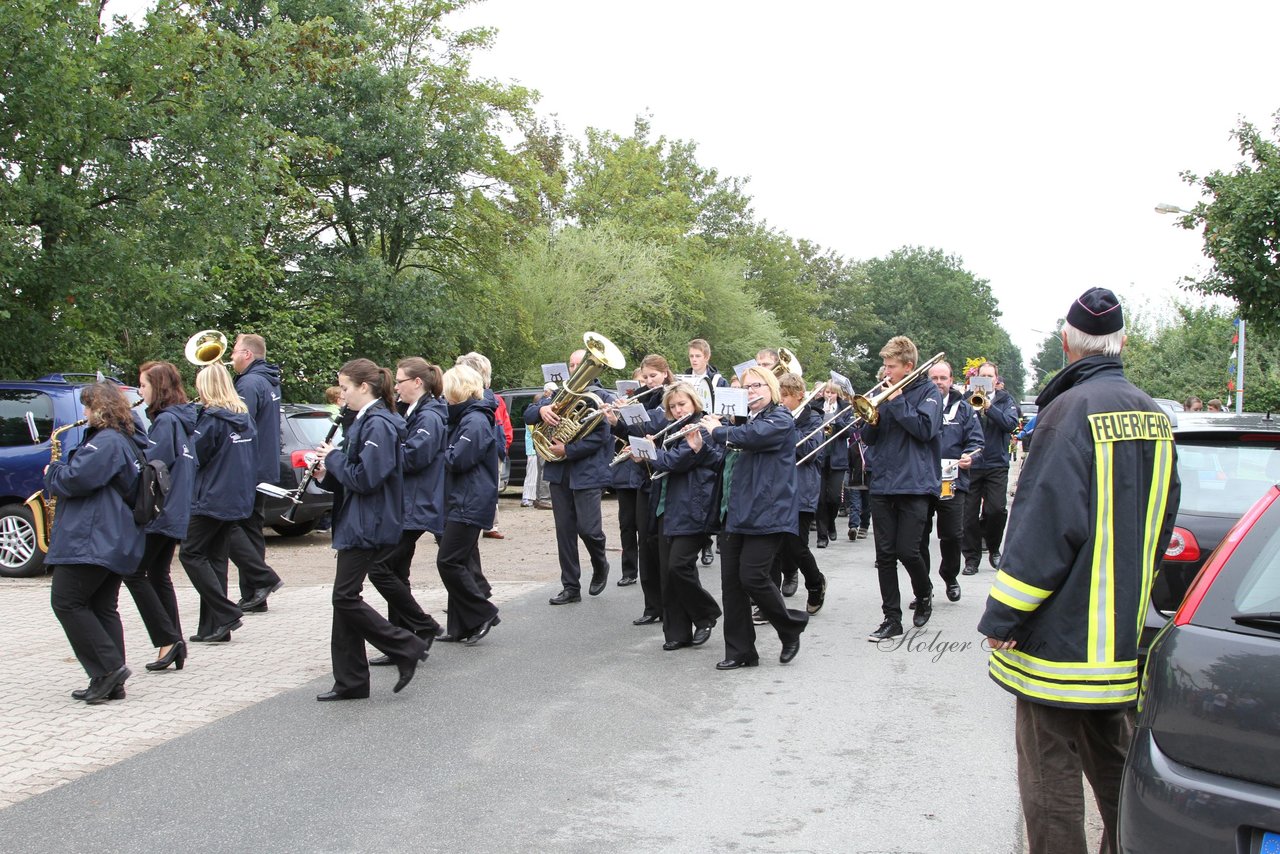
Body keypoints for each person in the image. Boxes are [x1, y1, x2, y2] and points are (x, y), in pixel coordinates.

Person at [979, 287, 1180, 854]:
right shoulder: (1155, 417)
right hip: (1117, 636)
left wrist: (1003, 615)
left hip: (1058, 642)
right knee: (1115, 763)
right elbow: (1162, 523)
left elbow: (1043, 530)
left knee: (1049, 776)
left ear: (1067, 343)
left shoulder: (1066, 413)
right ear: (1122, 343)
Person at [313, 359, 430, 700]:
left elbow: (367, 479)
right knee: (344, 599)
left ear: (364, 387)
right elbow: (355, 475)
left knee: (344, 597)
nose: (343, 396)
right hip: (361, 517)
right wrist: (325, 474)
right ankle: (351, 680)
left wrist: (333, 457)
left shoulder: (378, 423)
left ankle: (404, 644)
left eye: (346, 388)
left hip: (369, 521)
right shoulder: (366, 420)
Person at [697, 365, 807, 669]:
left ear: (771, 388)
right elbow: (724, 460)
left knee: (753, 577)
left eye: (758, 385)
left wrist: (717, 430)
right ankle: (740, 651)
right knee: (731, 585)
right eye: (746, 387)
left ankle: (790, 625)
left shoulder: (780, 418)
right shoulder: (741, 423)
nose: (752, 391)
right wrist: (701, 442)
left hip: (767, 513)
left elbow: (753, 437)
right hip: (734, 512)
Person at [46, 382, 147, 704]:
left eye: (87, 407)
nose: (84, 413)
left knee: (66, 601)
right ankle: (108, 681)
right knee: (102, 606)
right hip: (114, 537)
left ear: (99, 409)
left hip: (93, 538)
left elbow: (77, 480)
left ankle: (109, 668)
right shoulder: (125, 440)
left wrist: (54, 471)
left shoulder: (105, 442)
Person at [365, 357, 445, 665]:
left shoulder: (430, 417)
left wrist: (383, 447)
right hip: (409, 502)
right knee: (396, 571)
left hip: (416, 504)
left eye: (399, 380)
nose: (395, 385)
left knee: (380, 568)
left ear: (417, 383)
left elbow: (413, 458)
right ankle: (402, 641)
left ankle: (421, 626)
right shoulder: (416, 412)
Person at [862, 336, 943, 641]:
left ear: (908, 366)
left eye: (891, 366)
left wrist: (896, 401)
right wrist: (870, 416)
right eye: (884, 365)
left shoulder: (929, 392)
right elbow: (869, 439)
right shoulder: (884, 392)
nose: (885, 372)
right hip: (883, 479)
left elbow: (925, 429)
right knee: (884, 555)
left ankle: (923, 594)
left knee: (908, 550)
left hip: (915, 482)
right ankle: (891, 618)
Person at [123, 361, 197, 672]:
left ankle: (168, 640)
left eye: (143, 385)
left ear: (158, 387)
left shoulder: (166, 422)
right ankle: (174, 643)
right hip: (175, 510)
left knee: (134, 573)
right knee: (158, 575)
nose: (140, 391)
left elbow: (152, 468)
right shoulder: (179, 419)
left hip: (160, 512)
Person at [526, 348, 616, 605]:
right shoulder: (556, 394)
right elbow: (528, 414)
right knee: (564, 532)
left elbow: (601, 438)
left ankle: (600, 564)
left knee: (589, 530)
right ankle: (570, 587)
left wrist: (568, 449)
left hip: (587, 471)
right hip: (560, 472)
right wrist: (541, 411)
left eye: (582, 365)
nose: (577, 369)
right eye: (574, 365)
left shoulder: (601, 397)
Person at [181, 365, 255, 643]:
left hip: (210, 497)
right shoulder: (244, 417)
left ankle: (225, 614)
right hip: (236, 497)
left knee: (191, 554)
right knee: (216, 558)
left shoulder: (211, 419)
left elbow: (195, 455)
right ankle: (212, 627)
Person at [649, 382, 722, 650]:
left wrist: (649, 453)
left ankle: (706, 614)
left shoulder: (702, 427)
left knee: (678, 566)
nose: (678, 410)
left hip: (694, 506)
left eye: (682, 404)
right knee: (671, 575)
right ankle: (678, 633)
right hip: (668, 506)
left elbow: (675, 462)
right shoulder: (671, 428)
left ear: (694, 403)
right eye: (673, 406)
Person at [435, 364, 502, 644]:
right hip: (462, 498)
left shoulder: (474, 420)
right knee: (459, 560)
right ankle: (461, 626)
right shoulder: (466, 417)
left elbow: (458, 459)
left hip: (469, 500)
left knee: (448, 561)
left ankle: (483, 612)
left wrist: (437, 452)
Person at [610, 355, 673, 622]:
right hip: (641, 477)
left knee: (661, 545)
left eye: (653, 377)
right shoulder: (641, 396)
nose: (648, 382)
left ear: (665, 374)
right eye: (644, 377)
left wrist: (627, 414)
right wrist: (615, 420)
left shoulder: (670, 397)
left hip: (664, 477)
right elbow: (633, 434)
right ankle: (652, 607)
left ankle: (670, 606)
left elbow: (655, 427)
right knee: (645, 541)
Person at [917, 360, 982, 605]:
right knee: (918, 537)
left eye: (943, 378)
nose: (938, 383)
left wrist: (970, 456)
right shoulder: (920, 404)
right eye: (934, 378)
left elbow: (976, 442)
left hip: (953, 480)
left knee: (953, 535)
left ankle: (950, 576)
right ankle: (923, 587)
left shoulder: (964, 409)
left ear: (951, 380)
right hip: (922, 480)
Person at [228, 333, 285, 613]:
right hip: (262, 465)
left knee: (239, 527)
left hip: (249, 467)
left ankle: (258, 587)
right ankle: (255, 593)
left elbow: (240, 425)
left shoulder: (249, 382)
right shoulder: (268, 380)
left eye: (235, 351)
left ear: (248, 354)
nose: (231, 357)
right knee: (251, 529)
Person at [773, 372, 827, 615]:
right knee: (773, 547)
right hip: (776, 489)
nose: (782, 401)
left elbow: (810, 450)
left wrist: (785, 427)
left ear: (799, 397)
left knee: (796, 546)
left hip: (802, 489)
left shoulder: (814, 419)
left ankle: (815, 583)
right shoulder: (775, 416)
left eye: (786, 396)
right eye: (779, 396)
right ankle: (769, 602)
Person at [961, 360, 1021, 576]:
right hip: (973, 464)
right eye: (982, 376)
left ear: (996, 380)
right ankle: (971, 558)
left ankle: (994, 548)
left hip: (996, 463)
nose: (986, 380)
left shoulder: (1006, 401)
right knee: (968, 514)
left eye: (989, 377)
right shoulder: (966, 400)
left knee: (995, 510)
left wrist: (989, 407)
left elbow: (1011, 424)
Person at [455, 352, 511, 539]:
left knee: (488, 488)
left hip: (492, 450)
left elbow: (504, 425)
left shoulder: (490, 403)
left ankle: (490, 525)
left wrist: (504, 447)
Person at [687, 339, 728, 566]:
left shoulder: (718, 380)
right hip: (690, 432)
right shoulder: (684, 378)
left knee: (709, 489)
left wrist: (714, 418)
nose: (694, 360)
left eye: (698, 356)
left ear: (706, 357)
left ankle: (710, 542)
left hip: (711, 435)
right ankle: (703, 543)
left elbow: (724, 408)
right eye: (691, 356)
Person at [815, 382, 853, 549]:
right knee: (820, 498)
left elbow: (849, 432)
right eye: (826, 392)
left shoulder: (846, 408)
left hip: (837, 458)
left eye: (832, 393)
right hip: (820, 457)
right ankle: (822, 536)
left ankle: (831, 522)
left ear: (837, 394)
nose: (828, 395)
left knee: (835, 497)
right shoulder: (815, 407)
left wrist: (835, 420)